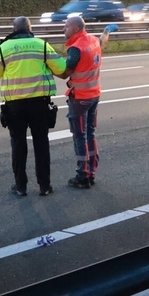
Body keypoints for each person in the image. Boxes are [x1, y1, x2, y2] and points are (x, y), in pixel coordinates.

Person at [0, 16, 66, 197]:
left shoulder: (4, 48)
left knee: (18, 144)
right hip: (40, 103)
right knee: (41, 144)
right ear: (30, 28)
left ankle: (20, 186)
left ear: (14, 29)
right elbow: (61, 67)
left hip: (14, 106)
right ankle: (44, 186)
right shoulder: (42, 45)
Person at [56, 16, 112, 189]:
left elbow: (65, 73)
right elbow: (102, 41)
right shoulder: (93, 40)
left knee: (79, 136)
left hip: (80, 98)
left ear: (76, 29)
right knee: (90, 133)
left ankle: (83, 175)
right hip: (94, 95)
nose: (63, 29)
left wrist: (49, 65)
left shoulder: (76, 48)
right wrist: (106, 32)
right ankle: (92, 171)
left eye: (66, 26)